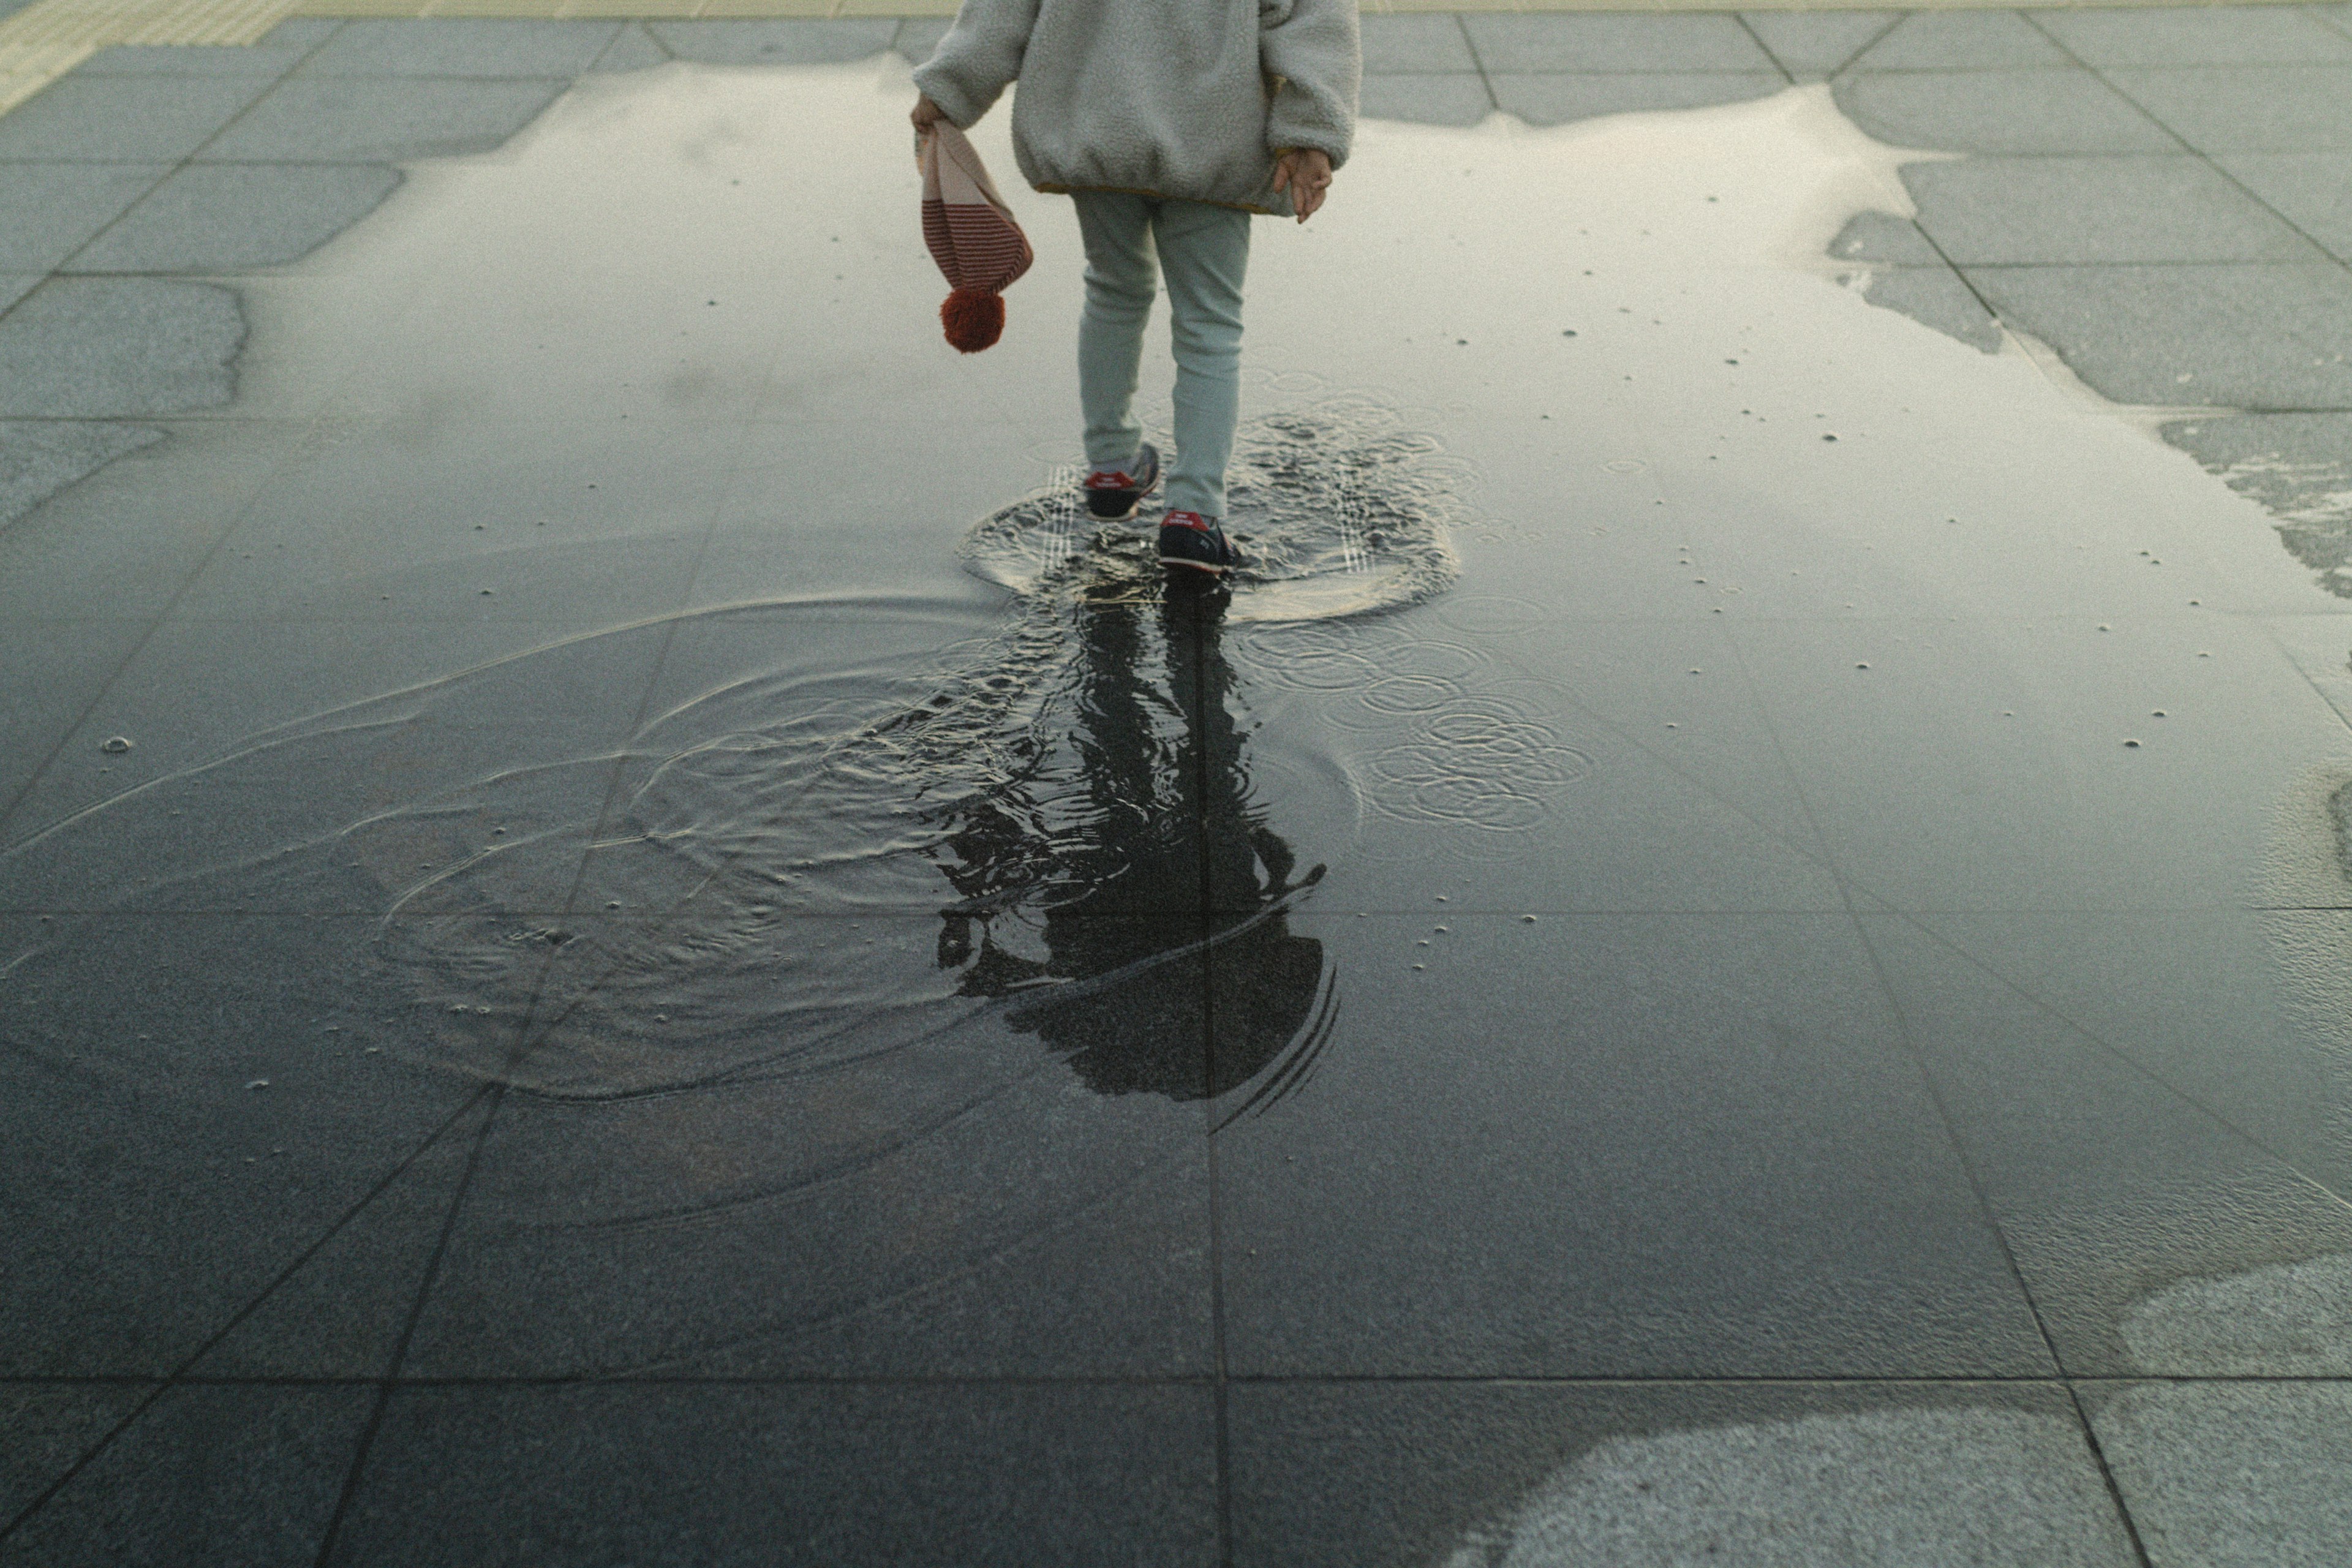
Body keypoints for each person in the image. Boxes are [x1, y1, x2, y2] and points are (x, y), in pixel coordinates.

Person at [910, 0, 1361, 576]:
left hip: (1098, 126)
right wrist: (1311, 133)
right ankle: (1194, 516)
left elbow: (1005, 8)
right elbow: (1311, 17)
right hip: (1213, 138)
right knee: (1209, 323)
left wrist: (949, 88)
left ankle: (1111, 465)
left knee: (1113, 291)